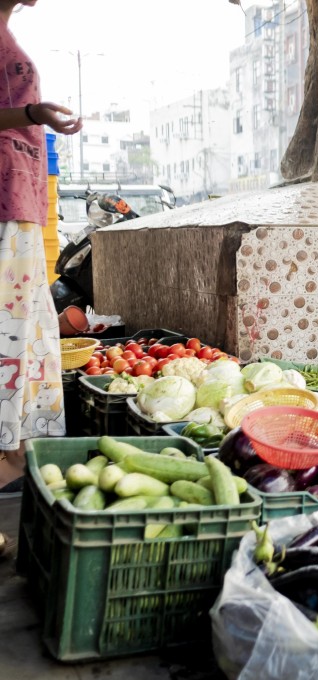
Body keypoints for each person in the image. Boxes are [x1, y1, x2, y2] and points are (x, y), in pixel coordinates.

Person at [0, 0, 83, 490]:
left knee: (23, 343)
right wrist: (33, 112)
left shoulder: (9, 32)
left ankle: (13, 455)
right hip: (6, 208)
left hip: (21, 204)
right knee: (10, 343)